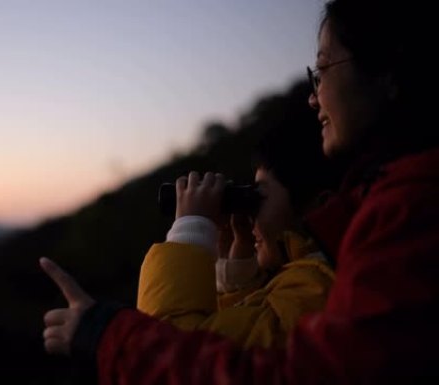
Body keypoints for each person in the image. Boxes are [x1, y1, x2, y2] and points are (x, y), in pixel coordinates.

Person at [40, 0, 439, 383]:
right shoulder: (382, 207)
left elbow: (214, 350)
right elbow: (238, 331)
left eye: (323, 68)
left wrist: (188, 233)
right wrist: (238, 261)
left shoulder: (408, 211)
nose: (314, 95)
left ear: (388, 71)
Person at [137, 105, 339, 349]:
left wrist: (189, 230)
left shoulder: (318, 286)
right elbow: (249, 329)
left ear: (320, 207)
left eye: (258, 197)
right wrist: (238, 272)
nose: (250, 216)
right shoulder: (308, 282)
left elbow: (179, 355)